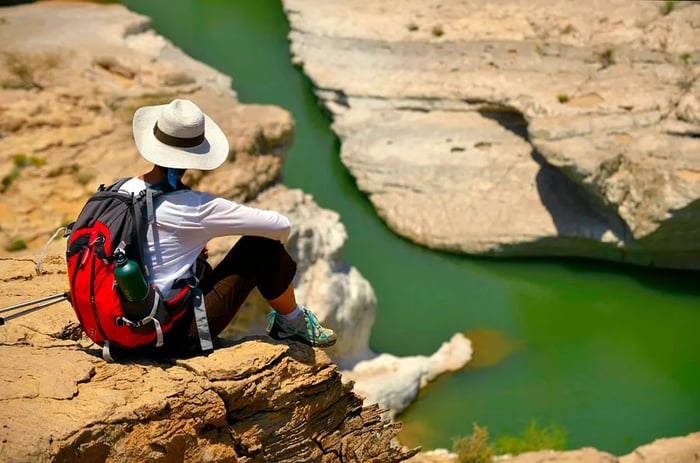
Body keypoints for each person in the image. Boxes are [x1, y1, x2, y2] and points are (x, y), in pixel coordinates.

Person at [118, 97, 336, 357]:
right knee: (261, 246)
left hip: (119, 324)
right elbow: (279, 227)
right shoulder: (196, 206)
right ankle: (292, 322)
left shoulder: (120, 189)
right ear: (195, 155)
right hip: (169, 335)